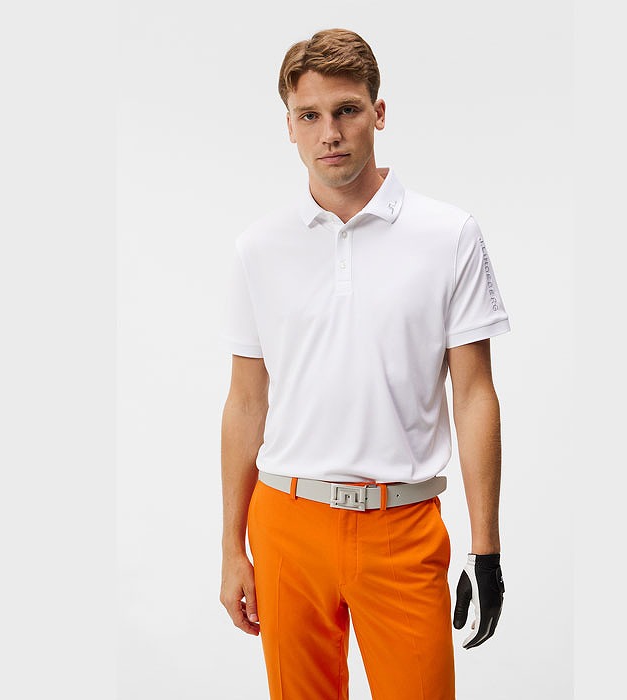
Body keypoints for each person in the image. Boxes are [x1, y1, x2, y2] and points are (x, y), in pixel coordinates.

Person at [219, 28, 509, 700]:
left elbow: (474, 395)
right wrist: (232, 547)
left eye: (347, 110)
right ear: (289, 126)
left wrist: (486, 549)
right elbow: (245, 401)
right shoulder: (258, 249)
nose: (330, 133)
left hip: (401, 527)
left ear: (378, 113)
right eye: (309, 115)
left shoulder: (449, 235)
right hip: (286, 524)